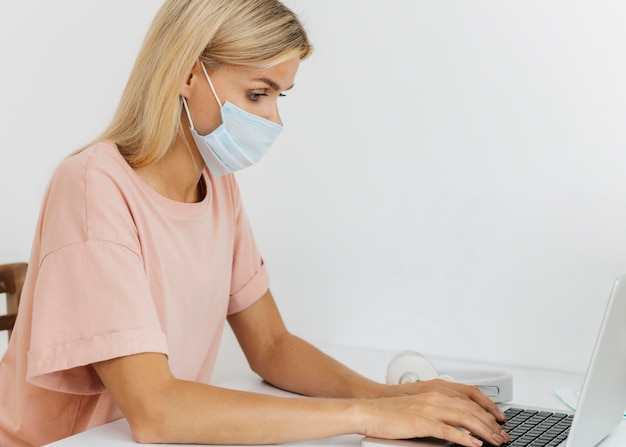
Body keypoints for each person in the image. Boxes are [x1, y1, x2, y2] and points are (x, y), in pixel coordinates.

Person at [0, 1, 510, 446]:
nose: (274, 121)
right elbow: (156, 410)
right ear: (187, 72)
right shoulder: (92, 185)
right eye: (257, 94)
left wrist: (394, 397)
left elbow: (270, 346)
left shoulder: (217, 185)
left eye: (280, 97)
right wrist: (368, 415)